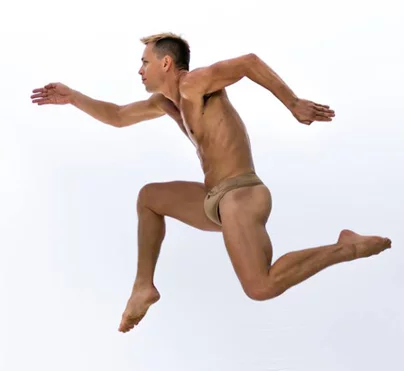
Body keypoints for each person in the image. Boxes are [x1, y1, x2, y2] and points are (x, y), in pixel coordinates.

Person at [31, 32, 391, 334]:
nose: (139, 70)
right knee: (150, 198)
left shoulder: (194, 83)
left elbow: (248, 62)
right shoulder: (166, 102)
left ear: (166, 63)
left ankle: (346, 247)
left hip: (241, 192)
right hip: (215, 199)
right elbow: (119, 116)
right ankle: (143, 286)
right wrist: (73, 97)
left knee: (260, 287)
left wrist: (293, 103)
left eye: (144, 62)